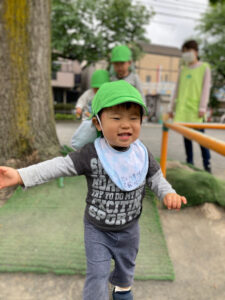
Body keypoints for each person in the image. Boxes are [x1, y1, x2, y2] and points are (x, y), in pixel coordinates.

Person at [0, 80, 187, 300]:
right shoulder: (90, 154)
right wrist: (22, 175)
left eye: (133, 118)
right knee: (97, 275)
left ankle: (122, 289)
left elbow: (156, 177)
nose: (126, 125)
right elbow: (58, 166)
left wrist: (168, 193)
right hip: (97, 230)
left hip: (130, 229)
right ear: (98, 123)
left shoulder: (141, 153)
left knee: (126, 267)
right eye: (116, 118)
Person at [169, 40, 211, 172]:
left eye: (189, 51)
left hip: (196, 110)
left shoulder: (204, 67)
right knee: (187, 141)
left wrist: (203, 107)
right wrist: (172, 108)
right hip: (183, 110)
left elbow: (206, 88)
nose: (186, 54)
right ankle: (190, 164)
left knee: (202, 140)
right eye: (184, 52)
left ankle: (207, 165)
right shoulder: (183, 68)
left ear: (196, 52)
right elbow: (177, 89)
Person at [71, 69, 110, 149]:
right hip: (87, 120)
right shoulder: (89, 93)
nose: (97, 91)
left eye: (100, 88)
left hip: (100, 121)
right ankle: (82, 147)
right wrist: (79, 108)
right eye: (96, 88)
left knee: (101, 136)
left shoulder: (107, 96)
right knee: (86, 135)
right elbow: (81, 100)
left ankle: (100, 148)